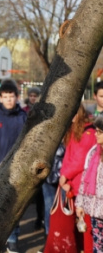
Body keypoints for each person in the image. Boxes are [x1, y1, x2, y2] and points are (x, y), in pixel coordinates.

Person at [0, 80, 26, 253]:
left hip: (17, 169)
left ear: (17, 98)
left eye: (12, 96)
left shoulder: (23, 117)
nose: (9, 100)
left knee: (13, 206)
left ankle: (12, 239)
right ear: (0, 98)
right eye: (6, 97)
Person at [59, 103, 97, 252]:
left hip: (82, 185)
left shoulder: (88, 132)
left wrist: (64, 176)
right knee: (79, 224)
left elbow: (79, 159)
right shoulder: (76, 130)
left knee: (85, 225)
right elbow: (69, 156)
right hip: (74, 183)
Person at [76, 115, 103, 253]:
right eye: (96, 130)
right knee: (97, 247)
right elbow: (84, 181)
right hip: (96, 212)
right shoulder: (93, 152)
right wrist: (80, 204)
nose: (96, 135)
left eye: (100, 132)